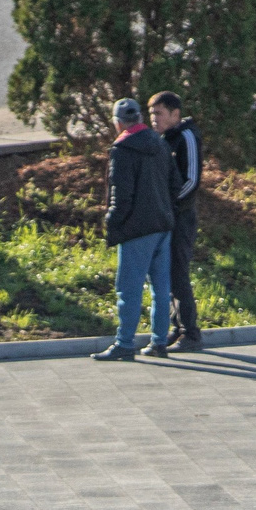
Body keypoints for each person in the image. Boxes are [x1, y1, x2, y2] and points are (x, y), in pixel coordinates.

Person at [93, 97, 178, 362]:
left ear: (118, 123)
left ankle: (125, 343)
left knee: (128, 289)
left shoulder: (122, 149)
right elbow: (175, 183)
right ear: (140, 119)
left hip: (137, 230)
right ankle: (159, 342)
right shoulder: (160, 144)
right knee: (161, 289)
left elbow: (121, 196)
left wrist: (111, 223)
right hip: (163, 225)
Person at [148, 91, 204, 351]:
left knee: (178, 272)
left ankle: (190, 332)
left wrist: (169, 207)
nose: (153, 118)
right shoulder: (163, 139)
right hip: (165, 218)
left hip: (180, 219)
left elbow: (191, 180)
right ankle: (176, 326)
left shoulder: (186, 137)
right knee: (166, 274)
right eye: (151, 113)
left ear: (175, 114)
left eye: (158, 113)